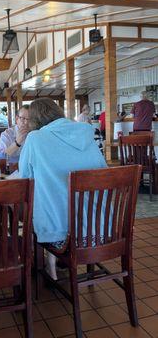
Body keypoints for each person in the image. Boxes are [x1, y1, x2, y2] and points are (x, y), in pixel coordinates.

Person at [19, 98, 107, 280]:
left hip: (63, 236)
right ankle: (57, 265)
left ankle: (47, 268)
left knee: (44, 204)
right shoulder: (86, 134)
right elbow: (104, 172)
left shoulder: (35, 139)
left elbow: (24, 178)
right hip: (102, 230)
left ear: (35, 119)